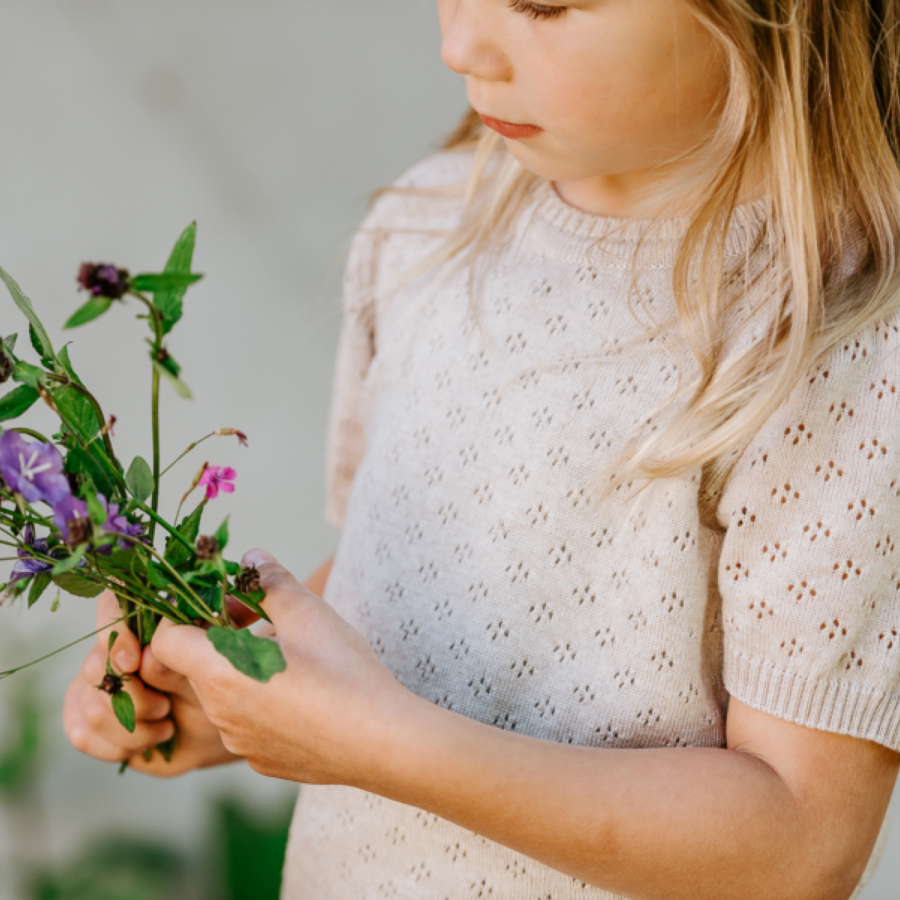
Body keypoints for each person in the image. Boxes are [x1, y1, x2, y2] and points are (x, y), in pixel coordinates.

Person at [63, 1, 900, 897]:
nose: (459, 43)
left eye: (545, 3)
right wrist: (230, 695)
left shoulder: (831, 339)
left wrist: (377, 744)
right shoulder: (426, 221)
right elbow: (407, 589)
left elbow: (800, 846)